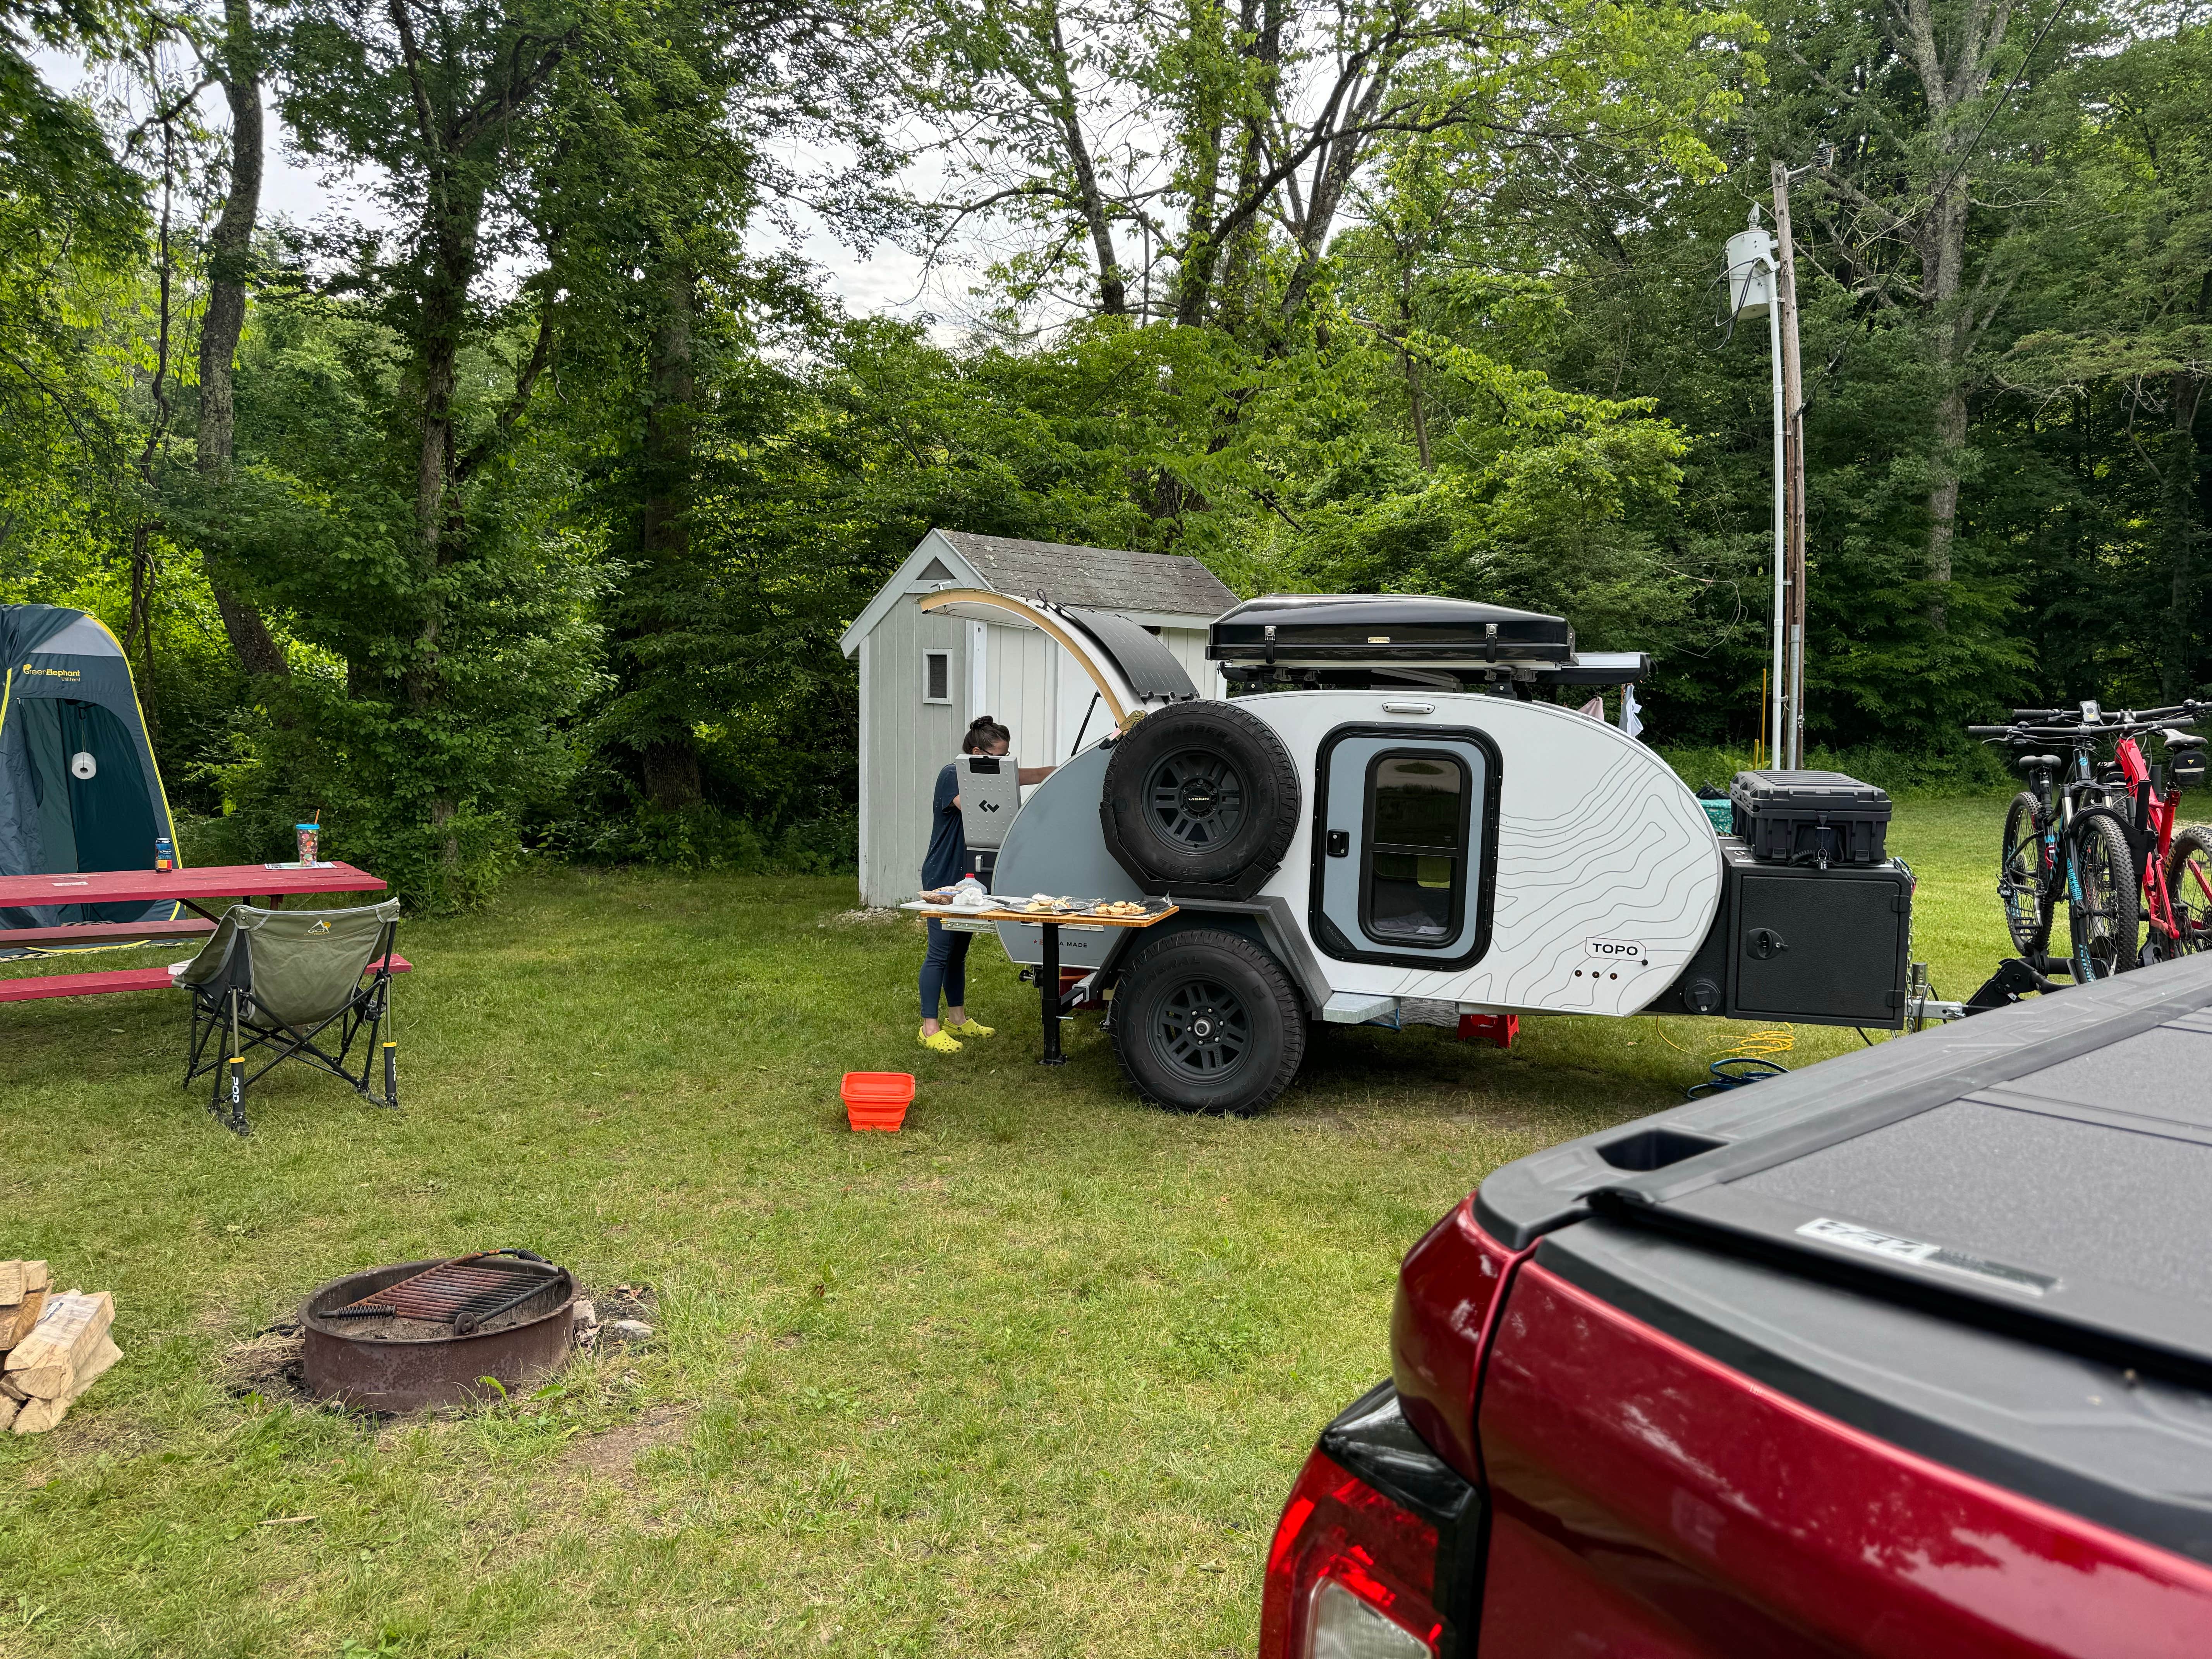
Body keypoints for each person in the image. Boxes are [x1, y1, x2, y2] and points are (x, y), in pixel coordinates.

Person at [919, 715, 1054, 1053]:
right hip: (942, 874)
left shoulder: (991, 774)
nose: (1002, 767)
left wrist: (1066, 770)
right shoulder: (952, 776)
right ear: (977, 752)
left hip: (969, 878)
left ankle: (958, 1019)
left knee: (959, 953)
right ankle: (929, 1027)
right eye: (997, 759)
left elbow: (1038, 775)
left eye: (1007, 760)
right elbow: (982, 812)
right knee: (939, 952)